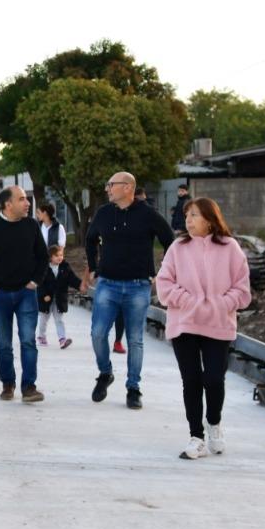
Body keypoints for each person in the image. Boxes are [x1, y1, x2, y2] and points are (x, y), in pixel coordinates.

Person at [155, 197, 252, 459]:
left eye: (195, 215)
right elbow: (164, 285)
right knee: (191, 381)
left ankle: (214, 424)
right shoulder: (178, 247)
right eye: (187, 215)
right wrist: (189, 302)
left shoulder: (230, 248)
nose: (188, 220)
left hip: (218, 324)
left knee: (213, 378)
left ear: (210, 219)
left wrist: (221, 304)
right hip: (184, 323)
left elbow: (242, 290)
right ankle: (196, 436)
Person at [82, 171, 174, 409]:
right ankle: (105, 373)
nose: (107, 188)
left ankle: (133, 388)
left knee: (135, 339)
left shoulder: (148, 214)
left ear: (127, 188)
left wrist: (164, 271)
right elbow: (90, 239)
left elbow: (170, 240)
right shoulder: (103, 213)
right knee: (98, 333)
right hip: (107, 285)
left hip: (138, 286)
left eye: (111, 184)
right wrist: (93, 267)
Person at [0, 185, 49, 402]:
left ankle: (29, 387)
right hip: (0, 296)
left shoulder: (31, 225)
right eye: (22, 199)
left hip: (26, 294)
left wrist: (35, 281)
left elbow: (43, 257)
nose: (27, 203)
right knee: (4, 343)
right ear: (8, 204)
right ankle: (8, 384)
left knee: (28, 341)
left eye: (26, 199)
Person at [38, 245, 80, 349]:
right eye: (57, 255)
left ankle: (62, 339)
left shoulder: (65, 267)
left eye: (61, 255)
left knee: (59, 320)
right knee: (43, 320)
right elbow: (40, 284)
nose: (60, 257)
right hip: (46, 300)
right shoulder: (44, 268)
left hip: (59, 299)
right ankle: (41, 337)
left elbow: (73, 279)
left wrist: (81, 285)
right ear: (50, 257)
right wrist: (44, 295)